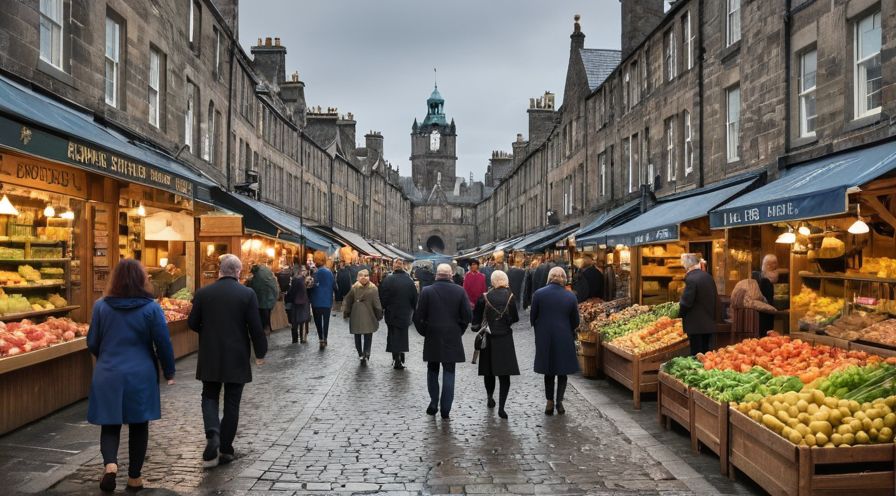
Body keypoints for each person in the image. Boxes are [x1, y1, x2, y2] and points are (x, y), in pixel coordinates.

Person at [87, 259, 176, 492]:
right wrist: (169, 370)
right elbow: (163, 342)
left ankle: (110, 465)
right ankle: (134, 477)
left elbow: (92, 342)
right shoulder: (151, 308)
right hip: (140, 373)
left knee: (109, 423)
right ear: (142, 279)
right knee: (139, 425)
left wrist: (106, 356)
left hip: (108, 372)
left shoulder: (101, 306)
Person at [189, 254, 268, 468]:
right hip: (236, 355)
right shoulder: (247, 294)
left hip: (210, 354)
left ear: (220, 271)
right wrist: (260, 352)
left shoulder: (203, 293)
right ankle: (225, 448)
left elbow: (193, 323)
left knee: (209, 395)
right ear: (238, 272)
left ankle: (212, 432)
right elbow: (255, 327)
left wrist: (208, 330)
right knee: (232, 402)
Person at [413, 263, 472, 419]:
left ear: (436, 275)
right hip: (452, 335)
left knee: (432, 370)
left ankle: (433, 402)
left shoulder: (427, 291)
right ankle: (445, 408)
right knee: (449, 371)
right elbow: (468, 316)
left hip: (432, 334)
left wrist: (424, 331)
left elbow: (418, 316)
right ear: (451, 275)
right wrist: (460, 330)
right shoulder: (460, 291)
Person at [530, 267, 580, 415]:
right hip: (564, 336)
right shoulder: (570, 296)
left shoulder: (539, 294)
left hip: (544, 336)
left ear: (550, 277)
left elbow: (533, 318)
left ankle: (549, 402)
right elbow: (575, 321)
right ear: (564, 278)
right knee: (562, 370)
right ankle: (560, 402)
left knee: (548, 370)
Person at [472, 270, 520, 419]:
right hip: (505, 337)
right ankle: (502, 407)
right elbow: (515, 318)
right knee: (504, 375)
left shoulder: (484, 297)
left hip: (488, 337)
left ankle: (489, 396)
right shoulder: (511, 297)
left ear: (492, 281)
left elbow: (476, 320)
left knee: (489, 371)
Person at [379, 259, 418, 369]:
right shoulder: (409, 281)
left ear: (393, 267)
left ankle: (396, 358)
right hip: (405, 313)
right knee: (402, 336)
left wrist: (384, 307)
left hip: (391, 313)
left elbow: (383, 297)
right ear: (403, 267)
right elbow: (414, 298)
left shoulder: (387, 280)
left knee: (392, 335)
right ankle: (400, 356)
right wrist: (414, 310)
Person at [679, 253, 718, 355]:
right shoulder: (708, 277)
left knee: (696, 355)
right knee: (707, 354)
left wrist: (678, 315)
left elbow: (686, 303)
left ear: (687, 266)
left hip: (695, 326)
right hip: (709, 323)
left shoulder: (691, 279)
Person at [343, 269, 383, 363]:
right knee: (368, 334)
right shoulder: (373, 288)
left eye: (365, 276)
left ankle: (360, 353)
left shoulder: (354, 287)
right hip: (369, 314)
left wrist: (347, 312)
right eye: (363, 276)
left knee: (357, 335)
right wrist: (379, 315)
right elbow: (377, 304)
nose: (364, 278)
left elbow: (348, 300)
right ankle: (366, 352)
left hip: (356, 314)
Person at [309, 251, 335, 349]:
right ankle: (325, 338)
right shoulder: (329, 272)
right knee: (326, 321)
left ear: (315, 261)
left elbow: (310, 286)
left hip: (316, 301)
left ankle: (320, 338)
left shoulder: (314, 273)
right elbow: (335, 286)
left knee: (318, 320)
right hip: (327, 301)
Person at [246, 261, 279, 334]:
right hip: (270, 296)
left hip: (264, 298)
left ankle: (265, 327)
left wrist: (249, 282)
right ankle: (268, 327)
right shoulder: (265, 270)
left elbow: (254, 286)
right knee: (267, 312)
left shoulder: (258, 276)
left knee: (263, 313)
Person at [285, 266, 312, 344]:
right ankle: (303, 338)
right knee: (303, 320)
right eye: (303, 270)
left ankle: (295, 339)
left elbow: (291, 292)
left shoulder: (295, 280)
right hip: (303, 303)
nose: (304, 272)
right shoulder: (305, 280)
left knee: (295, 321)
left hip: (296, 303)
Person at [753, 254, 779, 334]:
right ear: (768, 265)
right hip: (765, 312)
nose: (775, 265)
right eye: (773, 263)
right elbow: (768, 300)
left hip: (765, 310)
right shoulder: (765, 281)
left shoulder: (767, 279)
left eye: (775, 263)